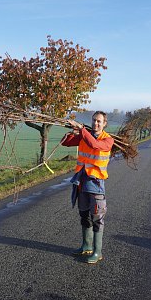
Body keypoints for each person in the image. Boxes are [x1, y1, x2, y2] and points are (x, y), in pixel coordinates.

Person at [61, 111, 114, 264]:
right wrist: (73, 131)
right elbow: (66, 142)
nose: (95, 123)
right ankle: (86, 246)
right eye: (94, 120)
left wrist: (82, 129)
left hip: (96, 184)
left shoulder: (107, 140)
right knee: (84, 215)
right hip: (81, 181)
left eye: (99, 121)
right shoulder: (85, 136)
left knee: (97, 218)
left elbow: (94, 144)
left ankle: (97, 252)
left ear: (104, 124)